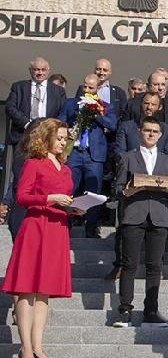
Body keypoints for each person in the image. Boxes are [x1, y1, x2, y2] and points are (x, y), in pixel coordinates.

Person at [1, 118, 81, 358]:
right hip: (36, 227)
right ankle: (25, 348)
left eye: (64, 138)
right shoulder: (33, 163)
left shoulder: (65, 168)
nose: (62, 142)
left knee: (44, 291)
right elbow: (22, 197)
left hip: (57, 227)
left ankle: (38, 347)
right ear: (45, 138)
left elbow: (63, 198)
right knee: (28, 287)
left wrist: (73, 208)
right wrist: (50, 197)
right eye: (58, 138)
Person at [112, 115, 168, 328]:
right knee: (129, 265)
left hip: (159, 216)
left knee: (154, 266)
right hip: (134, 214)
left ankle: (151, 310)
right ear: (139, 132)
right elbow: (117, 189)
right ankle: (124, 310)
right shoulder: (127, 157)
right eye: (147, 130)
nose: (150, 134)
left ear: (160, 135)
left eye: (154, 131)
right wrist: (127, 191)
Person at [58, 74, 117, 239]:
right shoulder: (71, 103)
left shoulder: (105, 106)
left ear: (98, 89)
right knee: (68, 189)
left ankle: (91, 228)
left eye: (90, 88)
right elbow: (59, 122)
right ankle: (66, 226)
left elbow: (112, 125)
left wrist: (95, 113)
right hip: (74, 153)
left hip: (93, 155)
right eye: (85, 86)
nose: (86, 90)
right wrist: (67, 131)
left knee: (93, 192)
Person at [5, 57, 67, 145]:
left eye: (43, 70)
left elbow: (63, 112)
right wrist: (27, 124)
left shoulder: (58, 91)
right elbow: (9, 108)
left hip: (47, 137)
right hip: (22, 136)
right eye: (37, 70)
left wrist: (49, 127)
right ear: (30, 70)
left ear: (48, 71)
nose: (40, 73)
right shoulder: (19, 87)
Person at [115, 91, 168, 159]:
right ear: (140, 104)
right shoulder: (126, 127)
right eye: (146, 103)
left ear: (160, 107)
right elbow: (120, 154)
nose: (149, 107)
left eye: (153, 104)